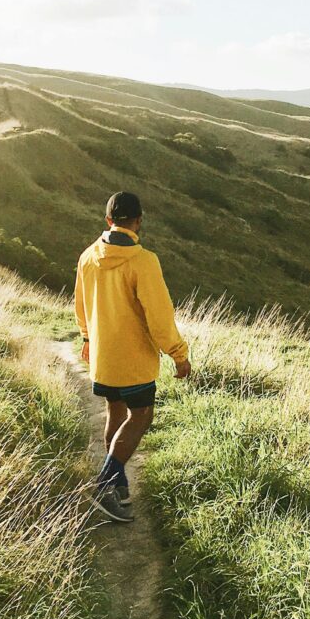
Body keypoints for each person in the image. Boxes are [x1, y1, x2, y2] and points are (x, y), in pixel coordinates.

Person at [74, 191, 191, 522]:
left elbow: (80, 305)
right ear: (138, 221)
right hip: (134, 357)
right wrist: (178, 355)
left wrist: (86, 337)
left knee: (116, 410)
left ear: (108, 221)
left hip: (103, 356)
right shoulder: (144, 261)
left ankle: (119, 486)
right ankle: (105, 481)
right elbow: (159, 316)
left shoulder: (87, 257)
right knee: (140, 416)